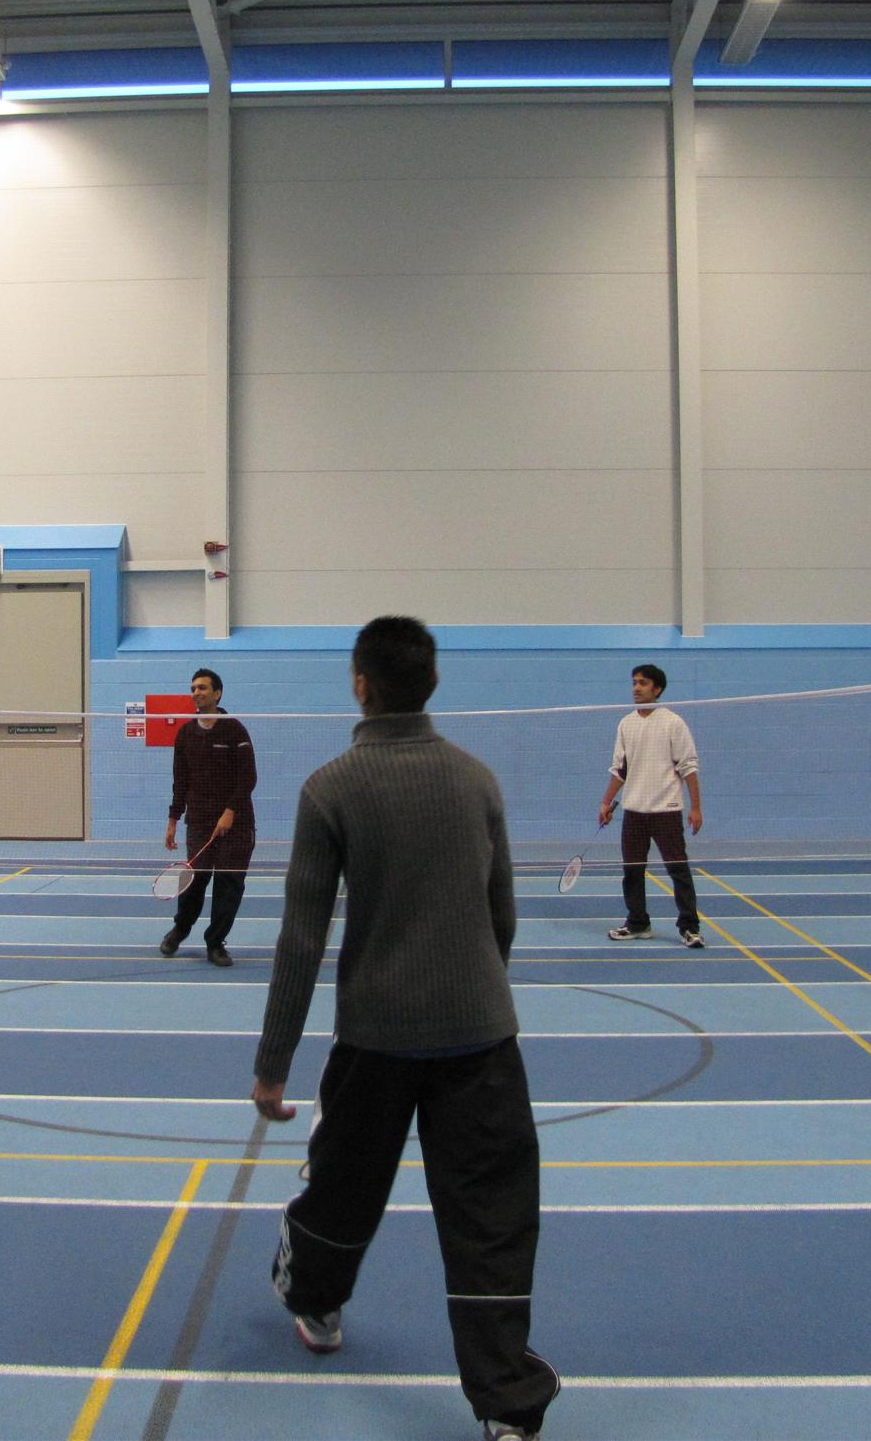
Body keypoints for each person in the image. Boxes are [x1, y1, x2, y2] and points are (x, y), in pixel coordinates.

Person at [251, 616, 559, 1441]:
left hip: (374, 1043)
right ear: (433, 683)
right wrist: (475, 995)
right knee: (492, 1218)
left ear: (360, 684)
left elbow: (301, 938)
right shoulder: (477, 781)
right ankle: (509, 1406)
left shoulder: (329, 788)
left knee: (343, 1188)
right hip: (482, 1042)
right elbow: (502, 917)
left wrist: (272, 1065)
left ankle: (315, 1302)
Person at [599, 663, 704, 946]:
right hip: (634, 812)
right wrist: (606, 802)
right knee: (632, 871)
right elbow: (620, 770)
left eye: (643, 683)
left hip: (666, 811)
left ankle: (689, 927)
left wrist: (695, 808)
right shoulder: (626, 724)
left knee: (678, 870)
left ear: (657, 689)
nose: (636, 688)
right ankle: (638, 923)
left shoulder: (673, 722)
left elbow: (689, 767)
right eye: (634, 682)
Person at [162, 668, 256, 967]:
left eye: (202, 688)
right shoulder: (185, 734)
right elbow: (180, 781)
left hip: (237, 823)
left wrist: (230, 812)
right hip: (200, 821)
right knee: (194, 879)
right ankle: (180, 928)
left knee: (229, 883)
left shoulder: (235, 730)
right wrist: (173, 819)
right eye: (193, 688)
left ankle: (215, 943)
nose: (196, 693)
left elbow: (248, 778)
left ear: (217, 693)